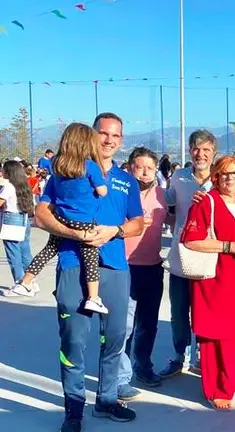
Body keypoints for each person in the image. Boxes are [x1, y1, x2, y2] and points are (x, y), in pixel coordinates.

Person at [35, 112, 144, 432]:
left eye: (116, 135)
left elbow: (137, 223)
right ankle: (73, 409)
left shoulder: (127, 181)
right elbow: (41, 216)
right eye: (104, 133)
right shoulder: (65, 174)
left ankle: (107, 399)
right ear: (91, 135)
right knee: (73, 341)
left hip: (114, 268)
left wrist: (114, 231)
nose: (109, 140)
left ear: (121, 140)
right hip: (72, 264)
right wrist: (76, 234)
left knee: (114, 338)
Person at [180, 156, 235, 410]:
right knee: (216, 334)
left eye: (234, 174)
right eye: (224, 173)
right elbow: (191, 240)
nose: (229, 178)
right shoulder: (207, 202)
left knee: (233, 333)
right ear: (215, 176)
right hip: (216, 279)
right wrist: (229, 246)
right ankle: (215, 387)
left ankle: (228, 381)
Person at [11, 123, 109, 314]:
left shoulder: (57, 165)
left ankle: (26, 281)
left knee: (48, 250)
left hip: (62, 218)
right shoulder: (90, 166)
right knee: (90, 258)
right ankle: (94, 297)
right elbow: (102, 191)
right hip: (85, 221)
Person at [159, 130, 216, 379]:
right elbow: (167, 203)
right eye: (196, 149)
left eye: (206, 150)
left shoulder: (222, 177)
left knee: (207, 311)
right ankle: (179, 356)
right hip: (181, 256)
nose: (200, 154)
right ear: (190, 151)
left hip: (211, 258)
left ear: (214, 153)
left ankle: (204, 357)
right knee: (179, 310)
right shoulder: (179, 177)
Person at [116, 147, 169, 398]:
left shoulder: (161, 194)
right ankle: (120, 377)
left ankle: (143, 366)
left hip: (153, 267)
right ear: (129, 167)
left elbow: (173, 218)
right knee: (124, 326)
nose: (145, 172)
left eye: (150, 167)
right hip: (125, 266)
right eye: (140, 167)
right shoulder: (121, 193)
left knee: (148, 324)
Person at [0, 160, 35, 294]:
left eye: (3, 169)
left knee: (13, 253)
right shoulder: (23, 185)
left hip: (11, 220)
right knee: (25, 251)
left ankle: (20, 283)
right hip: (23, 219)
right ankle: (30, 281)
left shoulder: (8, 186)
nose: (2, 172)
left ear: (9, 172)